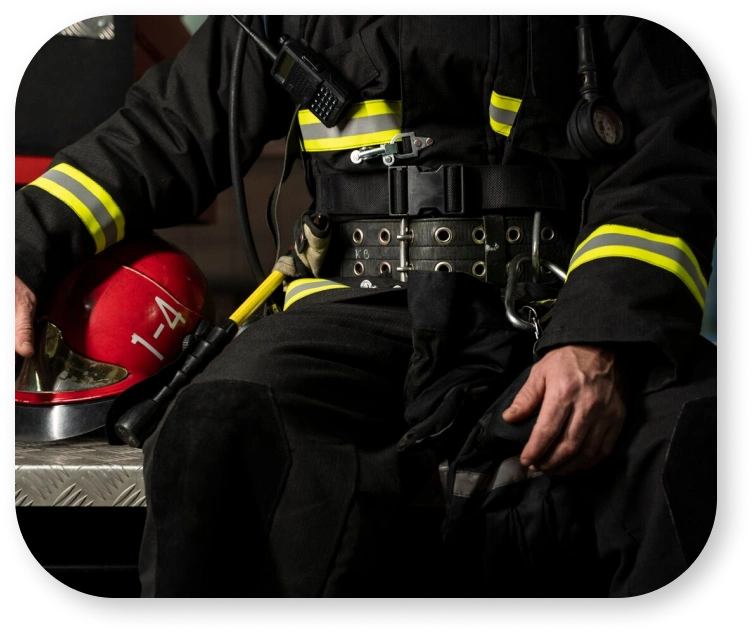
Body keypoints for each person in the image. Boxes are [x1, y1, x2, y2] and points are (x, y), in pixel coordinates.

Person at [14, 11, 719, 602]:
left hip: (554, 308)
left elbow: (664, 166)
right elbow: (163, 134)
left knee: (697, 432)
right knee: (217, 424)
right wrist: (23, 245)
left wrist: (600, 340)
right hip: (349, 311)